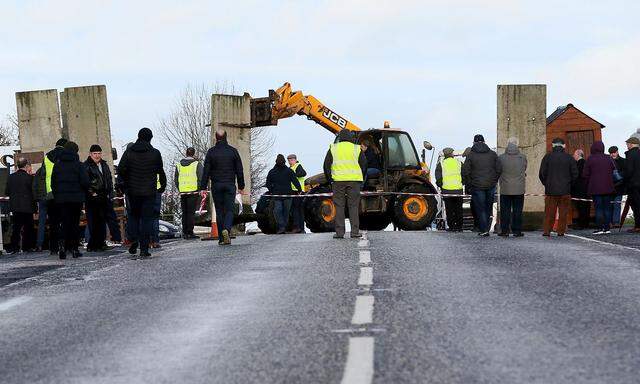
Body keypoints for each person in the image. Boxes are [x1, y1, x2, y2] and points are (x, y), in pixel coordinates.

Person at [118, 128, 167, 258]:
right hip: (149, 191)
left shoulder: (129, 153)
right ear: (150, 138)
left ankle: (134, 239)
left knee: (133, 216)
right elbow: (160, 171)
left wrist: (123, 185)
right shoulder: (155, 153)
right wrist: (162, 186)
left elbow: (121, 170)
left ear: (138, 137)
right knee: (147, 220)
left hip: (132, 191)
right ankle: (144, 249)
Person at [199, 129, 244, 245]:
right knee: (229, 210)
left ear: (216, 138)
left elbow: (206, 171)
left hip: (216, 185)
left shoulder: (211, 152)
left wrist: (203, 187)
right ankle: (226, 230)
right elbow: (239, 169)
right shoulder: (233, 151)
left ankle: (221, 238)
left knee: (219, 211)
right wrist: (241, 185)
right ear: (226, 137)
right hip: (229, 185)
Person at [323, 129, 367, 239]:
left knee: (339, 207)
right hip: (354, 181)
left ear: (340, 138)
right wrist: (360, 178)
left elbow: (326, 165)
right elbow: (364, 164)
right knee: (353, 206)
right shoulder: (356, 148)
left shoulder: (333, 148)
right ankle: (355, 232)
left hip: (338, 181)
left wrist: (330, 180)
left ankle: (339, 233)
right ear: (351, 137)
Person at [51, 141, 89, 259]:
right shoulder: (79, 165)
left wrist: (57, 195)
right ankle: (74, 248)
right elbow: (85, 182)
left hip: (61, 200)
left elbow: (53, 183)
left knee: (64, 223)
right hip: (76, 199)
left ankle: (62, 246)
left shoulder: (57, 165)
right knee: (74, 223)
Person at [461, 134, 501, 237]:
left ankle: (483, 229)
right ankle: (486, 228)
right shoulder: (492, 154)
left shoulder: (471, 155)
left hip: (477, 186)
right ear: (484, 141)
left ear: (474, 142)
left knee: (480, 208)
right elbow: (499, 169)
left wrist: (470, 183)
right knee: (488, 207)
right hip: (490, 185)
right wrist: (494, 180)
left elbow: (466, 171)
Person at [539, 138, 578, 237]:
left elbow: (542, 174)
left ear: (553, 145)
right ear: (563, 146)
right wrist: (570, 185)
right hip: (565, 190)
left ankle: (547, 231)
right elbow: (575, 174)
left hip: (551, 190)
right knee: (563, 213)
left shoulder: (547, 157)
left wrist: (547, 184)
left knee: (549, 213)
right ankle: (561, 231)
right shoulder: (569, 158)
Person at [34, 138, 67, 254]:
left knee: (48, 222)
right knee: (63, 220)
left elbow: (42, 175)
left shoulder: (47, 157)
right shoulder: (65, 156)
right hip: (60, 193)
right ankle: (64, 244)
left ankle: (43, 245)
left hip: (47, 194)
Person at [84, 144, 114, 252]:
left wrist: (110, 193)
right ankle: (93, 244)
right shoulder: (86, 166)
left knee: (102, 221)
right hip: (92, 198)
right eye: (95, 153)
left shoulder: (104, 165)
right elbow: (85, 182)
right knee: (93, 222)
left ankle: (101, 243)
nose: (97, 156)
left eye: (99, 153)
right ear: (90, 154)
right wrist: (92, 193)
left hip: (103, 196)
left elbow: (109, 179)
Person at [583, 141, 615, 234]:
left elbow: (585, 174)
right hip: (608, 187)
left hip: (595, 188)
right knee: (607, 208)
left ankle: (600, 228)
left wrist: (587, 184)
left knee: (599, 208)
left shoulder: (590, 159)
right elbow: (614, 170)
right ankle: (607, 228)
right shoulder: (608, 158)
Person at [497, 138, 527, 237]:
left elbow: (498, 170)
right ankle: (517, 231)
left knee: (505, 211)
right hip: (519, 188)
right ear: (517, 145)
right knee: (517, 211)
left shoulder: (501, 158)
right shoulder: (523, 157)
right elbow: (524, 168)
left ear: (507, 144)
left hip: (505, 188)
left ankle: (505, 231)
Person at [7, 158, 36, 253]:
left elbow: (7, 192)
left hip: (15, 207)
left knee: (16, 228)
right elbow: (33, 193)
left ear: (17, 166)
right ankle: (27, 247)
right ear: (26, 165)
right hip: (27, 207)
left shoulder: (11, 177)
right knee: (28, 228)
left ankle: (14, 247)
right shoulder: (30, 178)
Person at [267, 154, 302, 234]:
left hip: (282, 195)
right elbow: (295, 181)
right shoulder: (285, 171)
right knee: (280, 211)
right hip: (284, 195)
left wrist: (271, 190)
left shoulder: (277, 171)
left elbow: (268, 183)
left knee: (280, 211)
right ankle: (282, 226)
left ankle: (282, 226)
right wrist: (299, 189)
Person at [175, 147, 203, 239]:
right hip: (193, 191)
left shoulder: (179, 165)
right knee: (190, 213)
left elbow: (176, 179)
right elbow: (200, 177)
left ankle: (185, 232)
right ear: (194, 154)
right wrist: (200, 188)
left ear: (185, 153)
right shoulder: (197, 164)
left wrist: (180, 188)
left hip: (183, 192)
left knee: (185, 212)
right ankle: (190, 232)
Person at [435, 147, 463, 232]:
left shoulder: (441, 164)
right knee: (458, 209)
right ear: (452, 154)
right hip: (458, 190)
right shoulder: (459, 162)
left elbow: (438, 177)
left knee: (449, 209)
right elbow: (465, 173)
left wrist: (441, 185)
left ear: (445, 155)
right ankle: (459, 227)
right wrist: (463, 182)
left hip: (447, 190)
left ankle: (451, 227)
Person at [287, 154, 306, 233]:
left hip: (298, 191)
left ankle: (298, 227)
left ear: (295, 160)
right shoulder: (290, 168)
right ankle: (300, 228)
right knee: (297, 210)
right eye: (288, 160)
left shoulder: (298, 166)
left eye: (291, 160)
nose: (290, 162)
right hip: (293, 191)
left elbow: (303, 173)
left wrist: (293, 175)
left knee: (296, 210)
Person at [624, 137, 640, 233]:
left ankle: (638, 226)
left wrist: (624, 180)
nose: (627, 145)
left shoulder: (631, 154)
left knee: (636, 206)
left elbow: (629, 171)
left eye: (627, 144)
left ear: (631, 144)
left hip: (634, 184)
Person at [571, 149, 590, 229]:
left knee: (581, 207)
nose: (573, 156)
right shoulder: (585, 163)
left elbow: (577, 176)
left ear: (578, 155)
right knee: (585, 206)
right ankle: (585, 223)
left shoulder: (579, 164)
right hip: (586, 189)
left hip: (580, 189)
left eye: (574, 154)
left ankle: (582, 224)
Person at [609, 146, 626, 227]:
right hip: (611, 186)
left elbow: (625, 173)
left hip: (619, 186)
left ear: (617, 152)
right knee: (611, 205)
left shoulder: (623, 161)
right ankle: (611, 222)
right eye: (611, 153)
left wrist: (619, 179)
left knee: (617, 204)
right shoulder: (608, 161)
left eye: (614, 153)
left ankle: (616, 222)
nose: (613, 154)